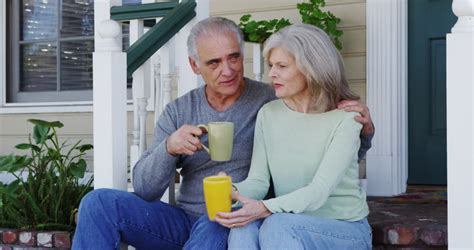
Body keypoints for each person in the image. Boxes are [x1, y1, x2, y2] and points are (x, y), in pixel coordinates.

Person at [72, 17, 374, 249]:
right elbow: (145, 189)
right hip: (185, 218)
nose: (227, 70)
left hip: (232, 217)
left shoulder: (273, 99)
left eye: (233, 58)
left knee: (219, 224)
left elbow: (325, 152)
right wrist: (169, 147)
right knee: (98, 204)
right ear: (194, 65)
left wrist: (364, 131)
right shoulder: (179, 111)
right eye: (214, 63)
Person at [214, 24, 372, 249]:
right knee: (243, 226)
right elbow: (258, 182)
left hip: (343, 230)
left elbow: (319, 191)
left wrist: (265, 208)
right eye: (271, 65)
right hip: (288, 223)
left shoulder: (346, 118)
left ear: (311, 69)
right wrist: (233, 191)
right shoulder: (269, 114)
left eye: (282, 66)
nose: (272, 74)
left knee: (278, 224)